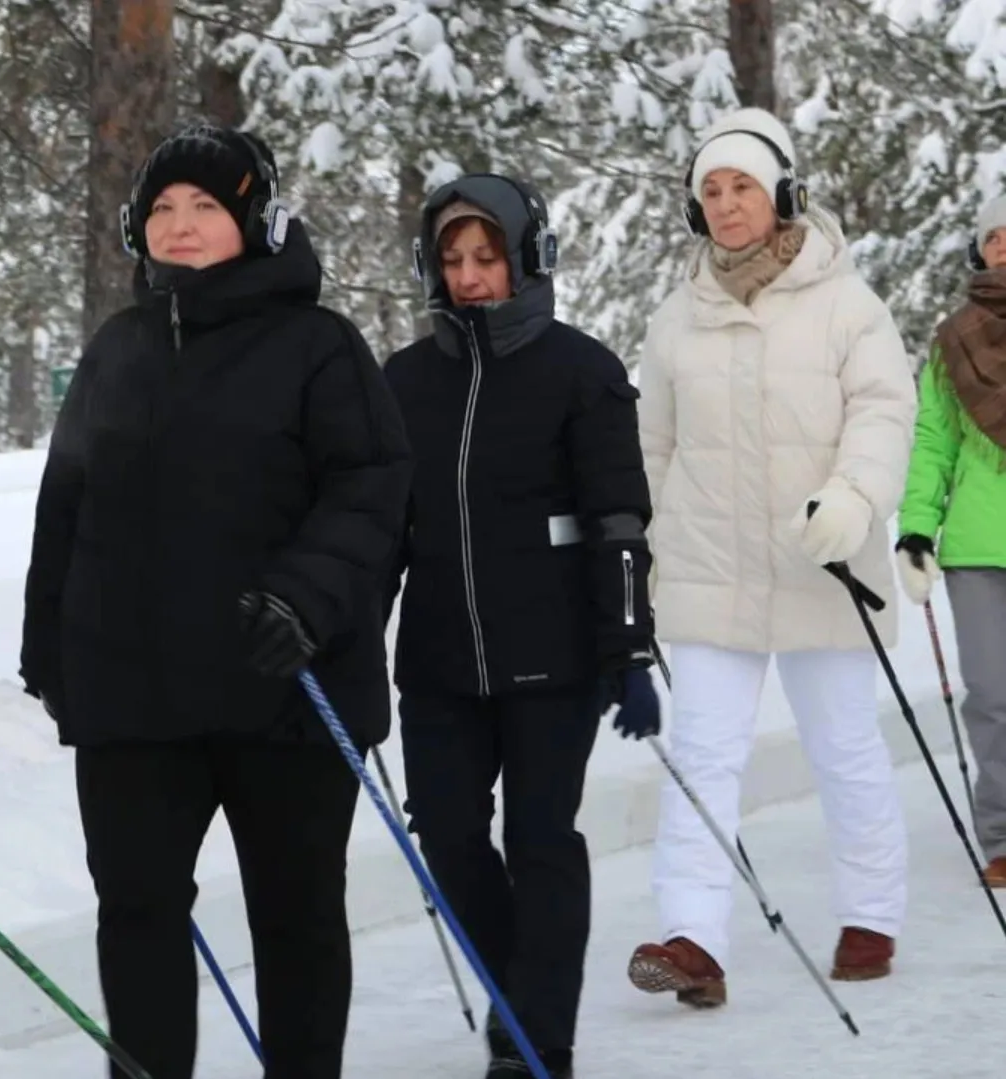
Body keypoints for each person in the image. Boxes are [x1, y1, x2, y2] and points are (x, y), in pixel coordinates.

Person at [19, 123, 411, 1079]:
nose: (181, 225)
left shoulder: (319, 346)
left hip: (284, 686)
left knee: (296, 915)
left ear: (254, 221)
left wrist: (305, 599)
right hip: (135, 699)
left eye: (205, 206)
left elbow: (373, 490)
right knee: (138, 913)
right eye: (162, 208)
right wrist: (50, 647)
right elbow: (66, 504)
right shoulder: (119, 347)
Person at [629, 106, 917, 1007]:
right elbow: (654, 448)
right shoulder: (678, 317)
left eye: (741, 186)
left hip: (819, 561)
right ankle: (690, 938)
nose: (724, 204)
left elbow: (882, 411)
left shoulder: (845, 304)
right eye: (709, 191)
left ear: (782, 192)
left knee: (841, 748)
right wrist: (650, 543)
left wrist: (856, 496)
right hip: (709, 567)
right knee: (704, 753)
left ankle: (870, 914)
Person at [382, 174, 660, 1079]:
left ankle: (540, 1035)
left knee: (540, 841)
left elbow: (616, 517)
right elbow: (372, 528)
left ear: (526, 260)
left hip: (553, 656)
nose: (468, 278)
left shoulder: (579, 369)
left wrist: (625, 644)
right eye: (452, 260)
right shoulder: (404, 380)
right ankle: (515, 986)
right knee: (450, 840)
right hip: (436, 662)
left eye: (486, 258)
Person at [896, 193, 1006, 889]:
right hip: (973, 545)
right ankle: (1000, 833)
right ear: (979, 249)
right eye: (995, 237)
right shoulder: (951, 336)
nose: (1005, 247)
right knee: (992, 695)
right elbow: (933, 440)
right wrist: (915, 525)